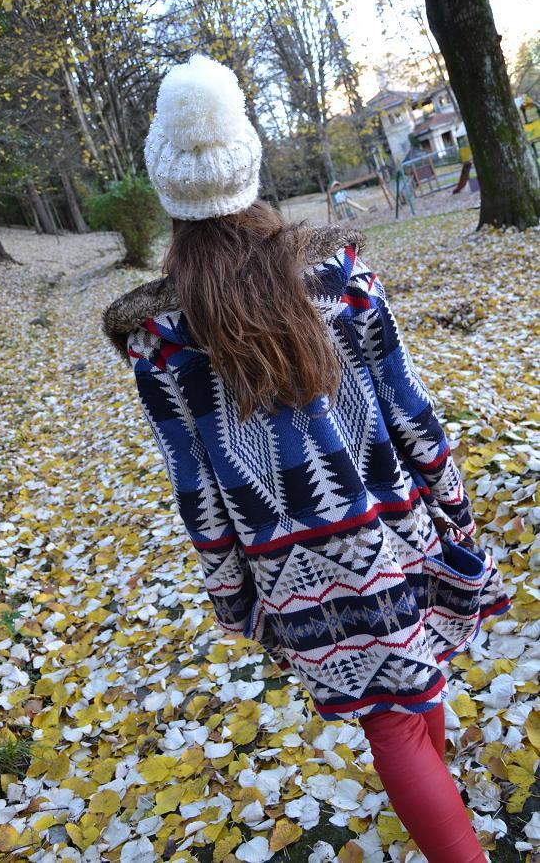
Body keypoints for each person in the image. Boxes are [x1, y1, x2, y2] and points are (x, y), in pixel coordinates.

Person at [102, 54, 511, 862]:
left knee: (397, 709)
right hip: (397, 525)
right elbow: (411, 411)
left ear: (166, 188)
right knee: (404, 702)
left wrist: (232, 596)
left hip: (291, 569)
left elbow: (196, 489)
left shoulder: (158, 339)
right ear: (247, 164)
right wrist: (453, 509)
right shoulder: (338, 276)